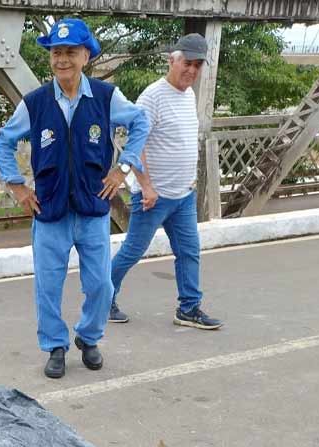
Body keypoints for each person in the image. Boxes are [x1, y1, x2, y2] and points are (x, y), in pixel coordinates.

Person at [0, 18, 150, 378]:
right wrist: (17, 186)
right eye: (56, 52)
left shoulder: (107, 97)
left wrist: (123, 167)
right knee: (48, 286)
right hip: (49, 209)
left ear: (85, 56)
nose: (62, 59)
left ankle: (89, 337)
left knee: (100, 284)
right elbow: (4, 141)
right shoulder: (35, 102)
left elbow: (140, 123)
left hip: (93, 207)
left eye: (71, 52)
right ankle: (55, 346)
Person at [108, 33, 223, 330]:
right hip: (154, 196)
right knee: (133, 251)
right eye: (187, 63)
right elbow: (137, 144)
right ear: (173, 60)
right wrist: (146, 186)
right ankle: (101, 298)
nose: (192, 71)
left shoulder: (189, 94)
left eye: (198, 66)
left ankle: (189, 308)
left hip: (183, 195)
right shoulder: (152, 96)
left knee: (189, 252)